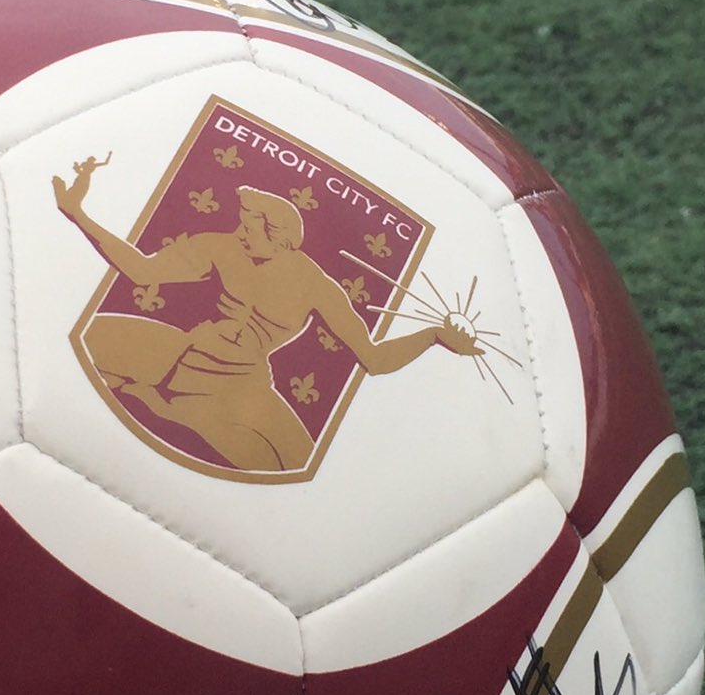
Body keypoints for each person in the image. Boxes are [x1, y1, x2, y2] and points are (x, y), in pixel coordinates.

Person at [53, 158, 480, 475]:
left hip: (242, 386)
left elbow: (374, 358)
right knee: (84, 340)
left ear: (280, 239)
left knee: (296, 463)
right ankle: (162, 400)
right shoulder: (222, 247)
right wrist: (79, 216)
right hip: (185, 353)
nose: (239, 233)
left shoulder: (316, 286)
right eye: (240, 225)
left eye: (249, 228)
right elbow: (143, 271)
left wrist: (433, 337)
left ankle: (165, 407)